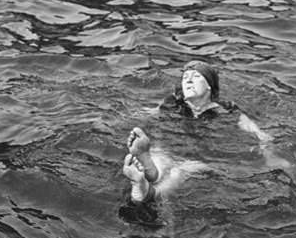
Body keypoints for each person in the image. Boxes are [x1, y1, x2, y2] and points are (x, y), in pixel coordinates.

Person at [122, 61, 286, 206]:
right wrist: (118, 117)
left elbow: (256, 131)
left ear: (209, 86)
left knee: (181, 170)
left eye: (195, 76)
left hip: (198, 154)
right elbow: (150, 112)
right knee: (160, 156)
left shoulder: (226, 109)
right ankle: (149, 169)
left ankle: (150, 192)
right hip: (173, 143)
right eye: (185, 77)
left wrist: (269, 153)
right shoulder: (172, 102)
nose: (188, 80)